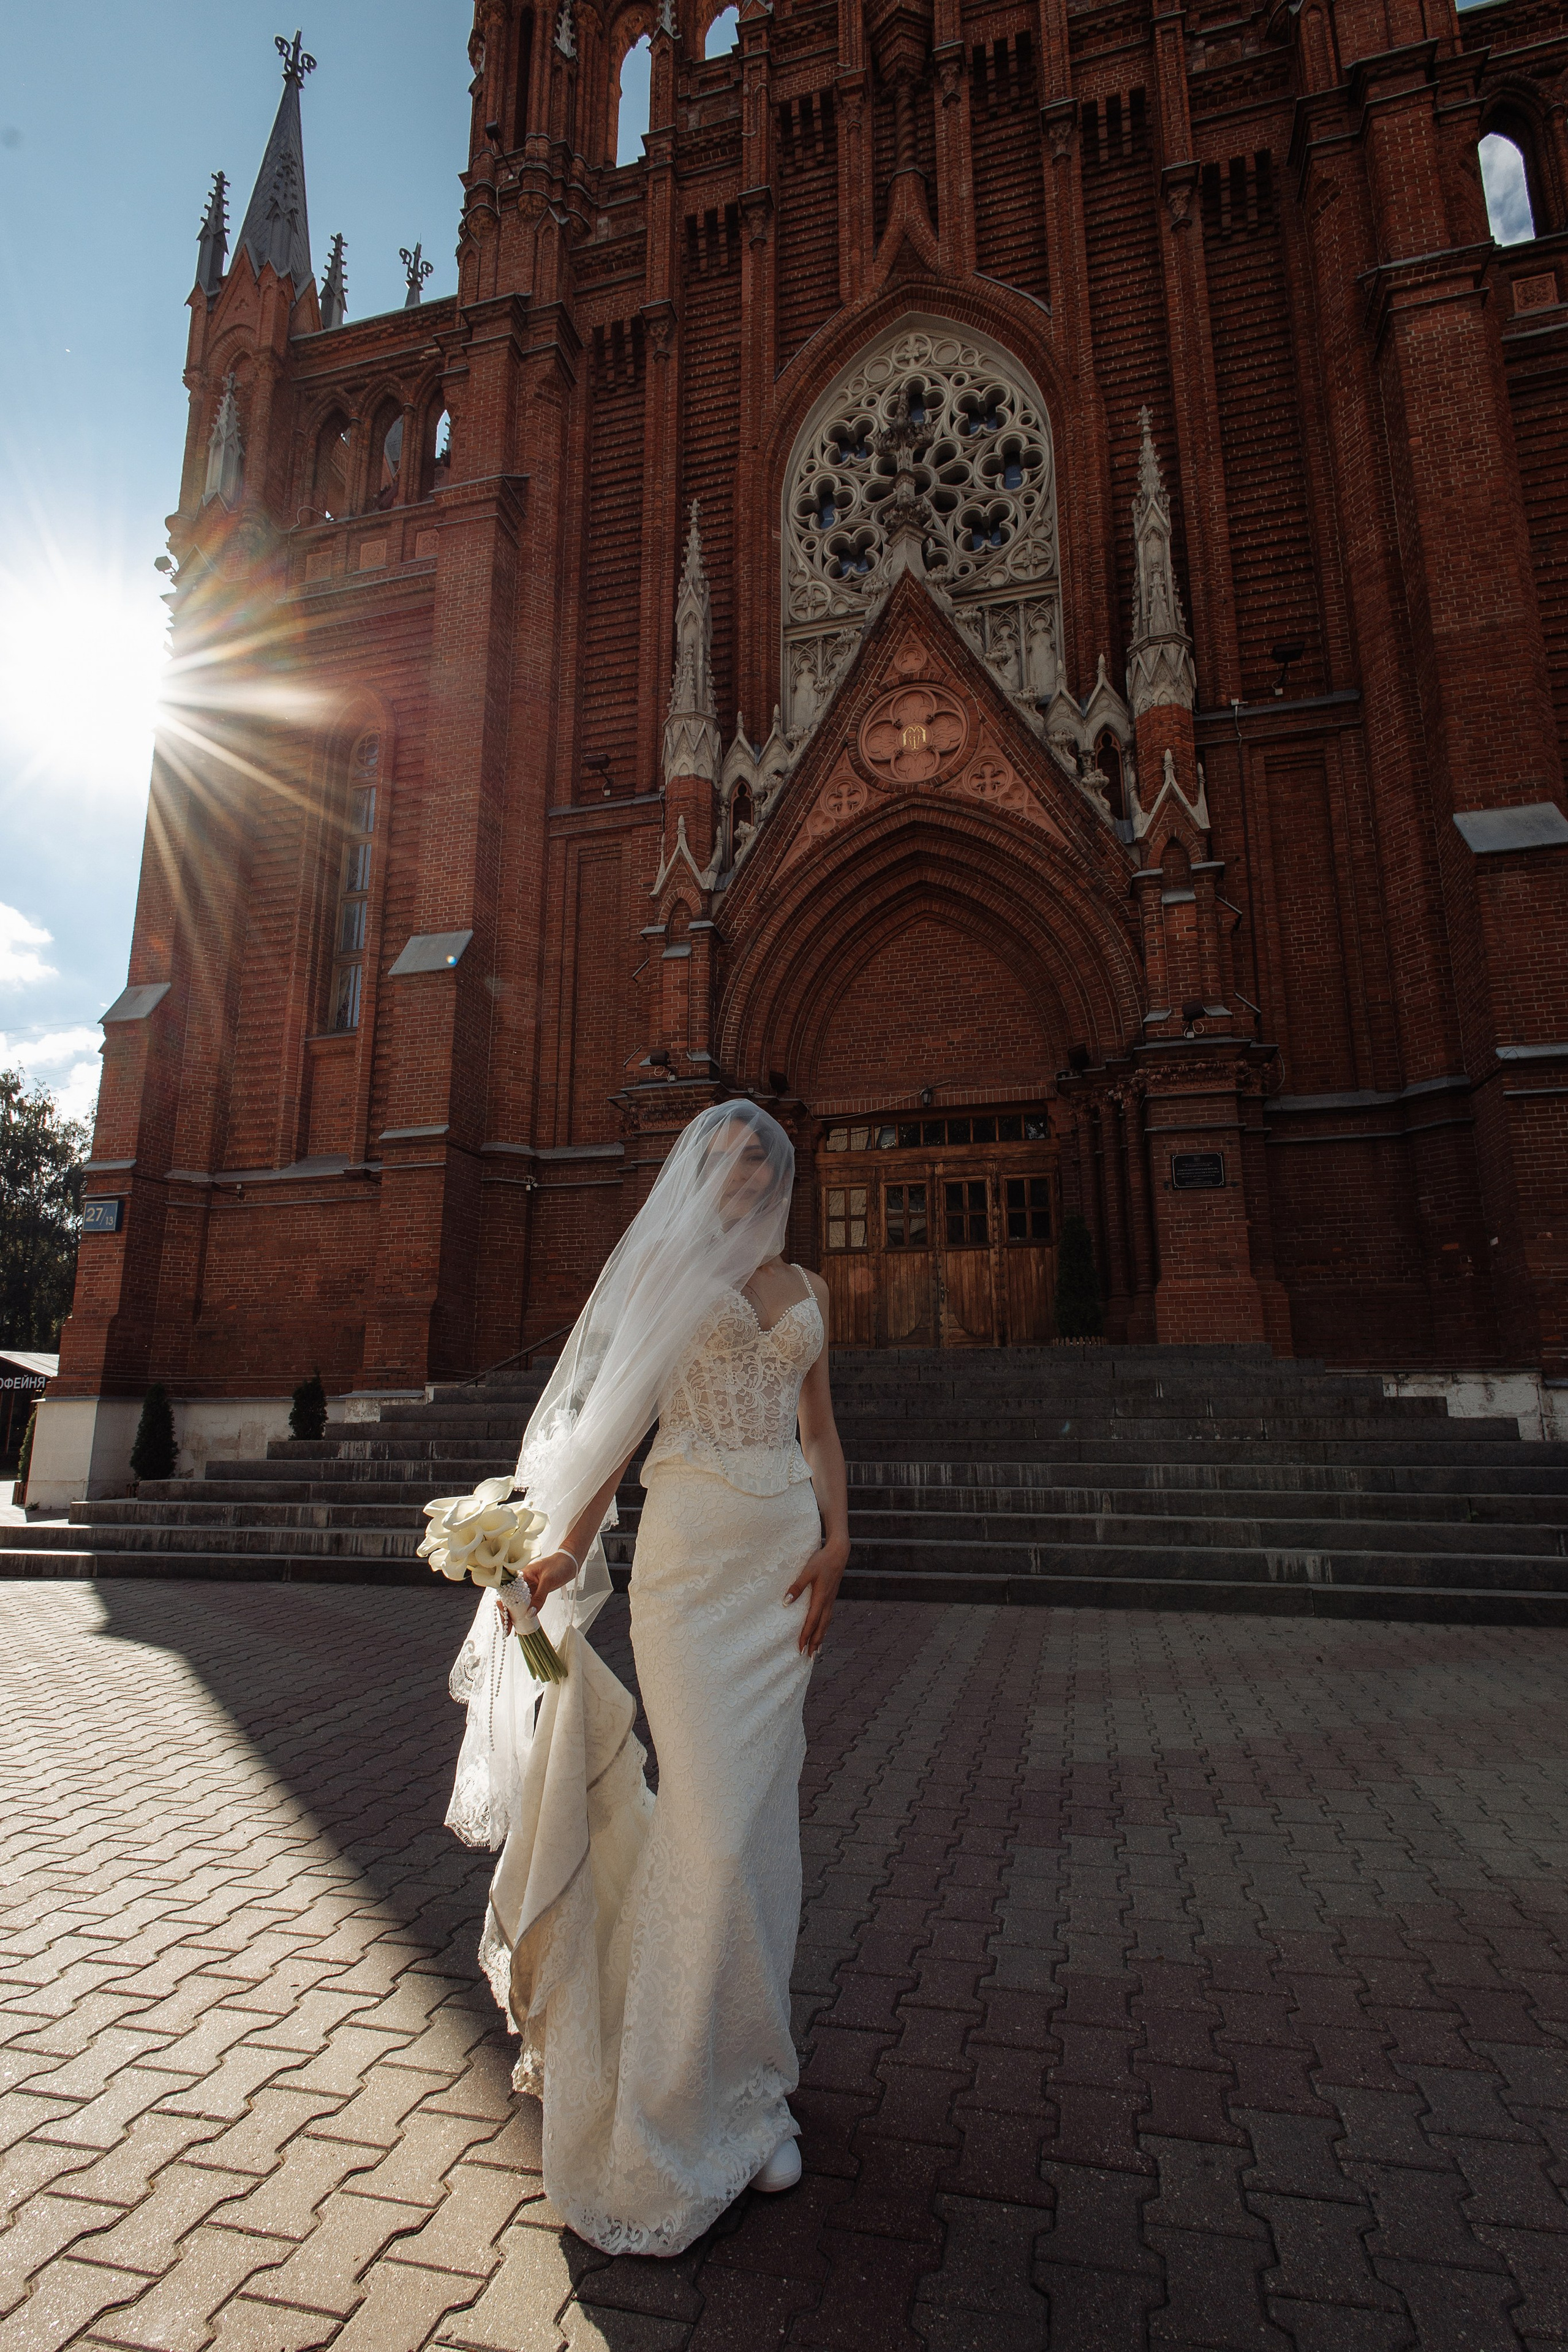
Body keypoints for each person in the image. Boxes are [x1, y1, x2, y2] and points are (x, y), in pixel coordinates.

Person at [445, 1099, 849, 2256]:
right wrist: (559, 1553)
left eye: (755, 1160)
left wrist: (840, 1539)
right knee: (710, 1833)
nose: (738, 1175)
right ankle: (672, 2109)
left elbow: (819, 1429)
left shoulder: (809, 1290)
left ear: (777, 1176)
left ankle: (751, 2081)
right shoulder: (671, 1275)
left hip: (783, 1575)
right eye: (720, 1160)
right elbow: (617, 1434)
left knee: (757, 1831)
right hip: (686, 1577)